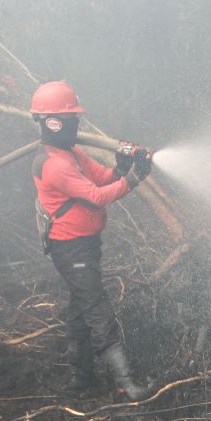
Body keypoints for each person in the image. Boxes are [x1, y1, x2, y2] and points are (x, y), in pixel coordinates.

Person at [29, 80, 152, 399]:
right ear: (54, 122)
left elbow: (101, 177)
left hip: (83, 244)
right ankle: (125, 382)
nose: (77, 124)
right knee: (97, 307)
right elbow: (97, 196)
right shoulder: (53, 164)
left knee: (79, 308)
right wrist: (134, 179)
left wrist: (122, 167)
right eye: (73, 119)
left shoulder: (69, 153)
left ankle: (80, 379)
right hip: (70, 248)